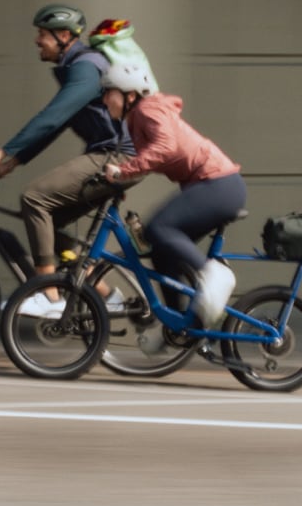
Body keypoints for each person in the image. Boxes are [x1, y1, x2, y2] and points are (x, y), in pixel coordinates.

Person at [0, 4, 138, 318]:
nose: (37, 40)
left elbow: (51, 118)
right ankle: (106, 296)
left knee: (34, 198)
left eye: (42, 34)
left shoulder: (86, 66)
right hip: (113, 156)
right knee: (56, 221)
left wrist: (4, 150)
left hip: (117, 157)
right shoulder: (78, 69)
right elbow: (58, 124)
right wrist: (15, 161)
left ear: (64, 36)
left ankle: (47, 295)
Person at [95, 58, 246, 333]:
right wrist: (122, 180)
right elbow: (152, 157)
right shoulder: (136, 118)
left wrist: (123, 172)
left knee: (159, 228)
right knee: (161, 252)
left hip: (219, 185)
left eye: (109, 92)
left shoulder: (146, 109)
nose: (104, 100)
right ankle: (178, 327)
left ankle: (215, 276)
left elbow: (164, 147)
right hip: (213, 187)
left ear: (129, 94)